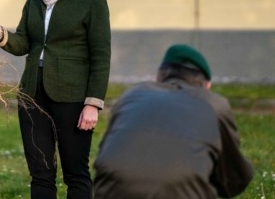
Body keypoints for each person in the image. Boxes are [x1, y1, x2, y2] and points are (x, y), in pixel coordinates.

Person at [0, 0, 111, 199]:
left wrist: (92, 103)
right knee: (40, 174)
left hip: (72, 97)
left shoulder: (94, 1)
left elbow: (101, 56)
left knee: (76, 173)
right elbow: (25, 42)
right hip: (32, 94)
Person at [93, 44, 254, 199]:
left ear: (158, 76)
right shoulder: (214, 105)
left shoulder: (131, 96)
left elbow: (105, 152)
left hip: (110, 191)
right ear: (206, 85)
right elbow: (234, 179)